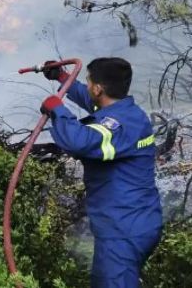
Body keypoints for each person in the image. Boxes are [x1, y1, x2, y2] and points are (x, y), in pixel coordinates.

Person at [39, 57, 162, 288]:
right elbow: (93, 102)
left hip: (123, 232)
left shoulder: (119, 126)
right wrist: (63, 78)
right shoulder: (127, 113)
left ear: (98, 88)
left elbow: (79, 141)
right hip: (136, 223)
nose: (86, 86)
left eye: (87, 82)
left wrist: (57, 110)